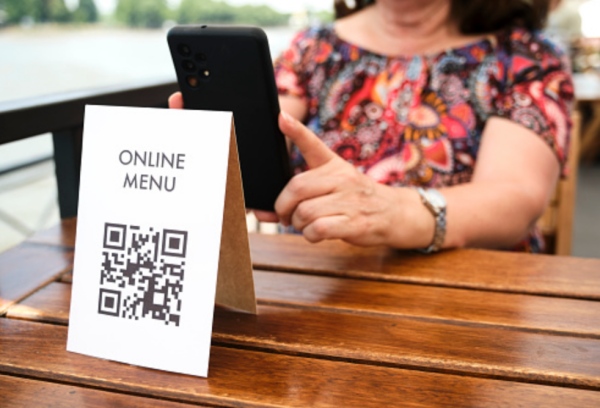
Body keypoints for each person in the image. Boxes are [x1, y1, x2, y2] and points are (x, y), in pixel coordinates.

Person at [170, 0, 574, 253]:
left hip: (474, 298)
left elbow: (515, 199)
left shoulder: (525, 56)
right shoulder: (313, 48)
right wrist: (210, 156)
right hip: (315, 291)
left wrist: (392, 211)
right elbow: (260, 137)